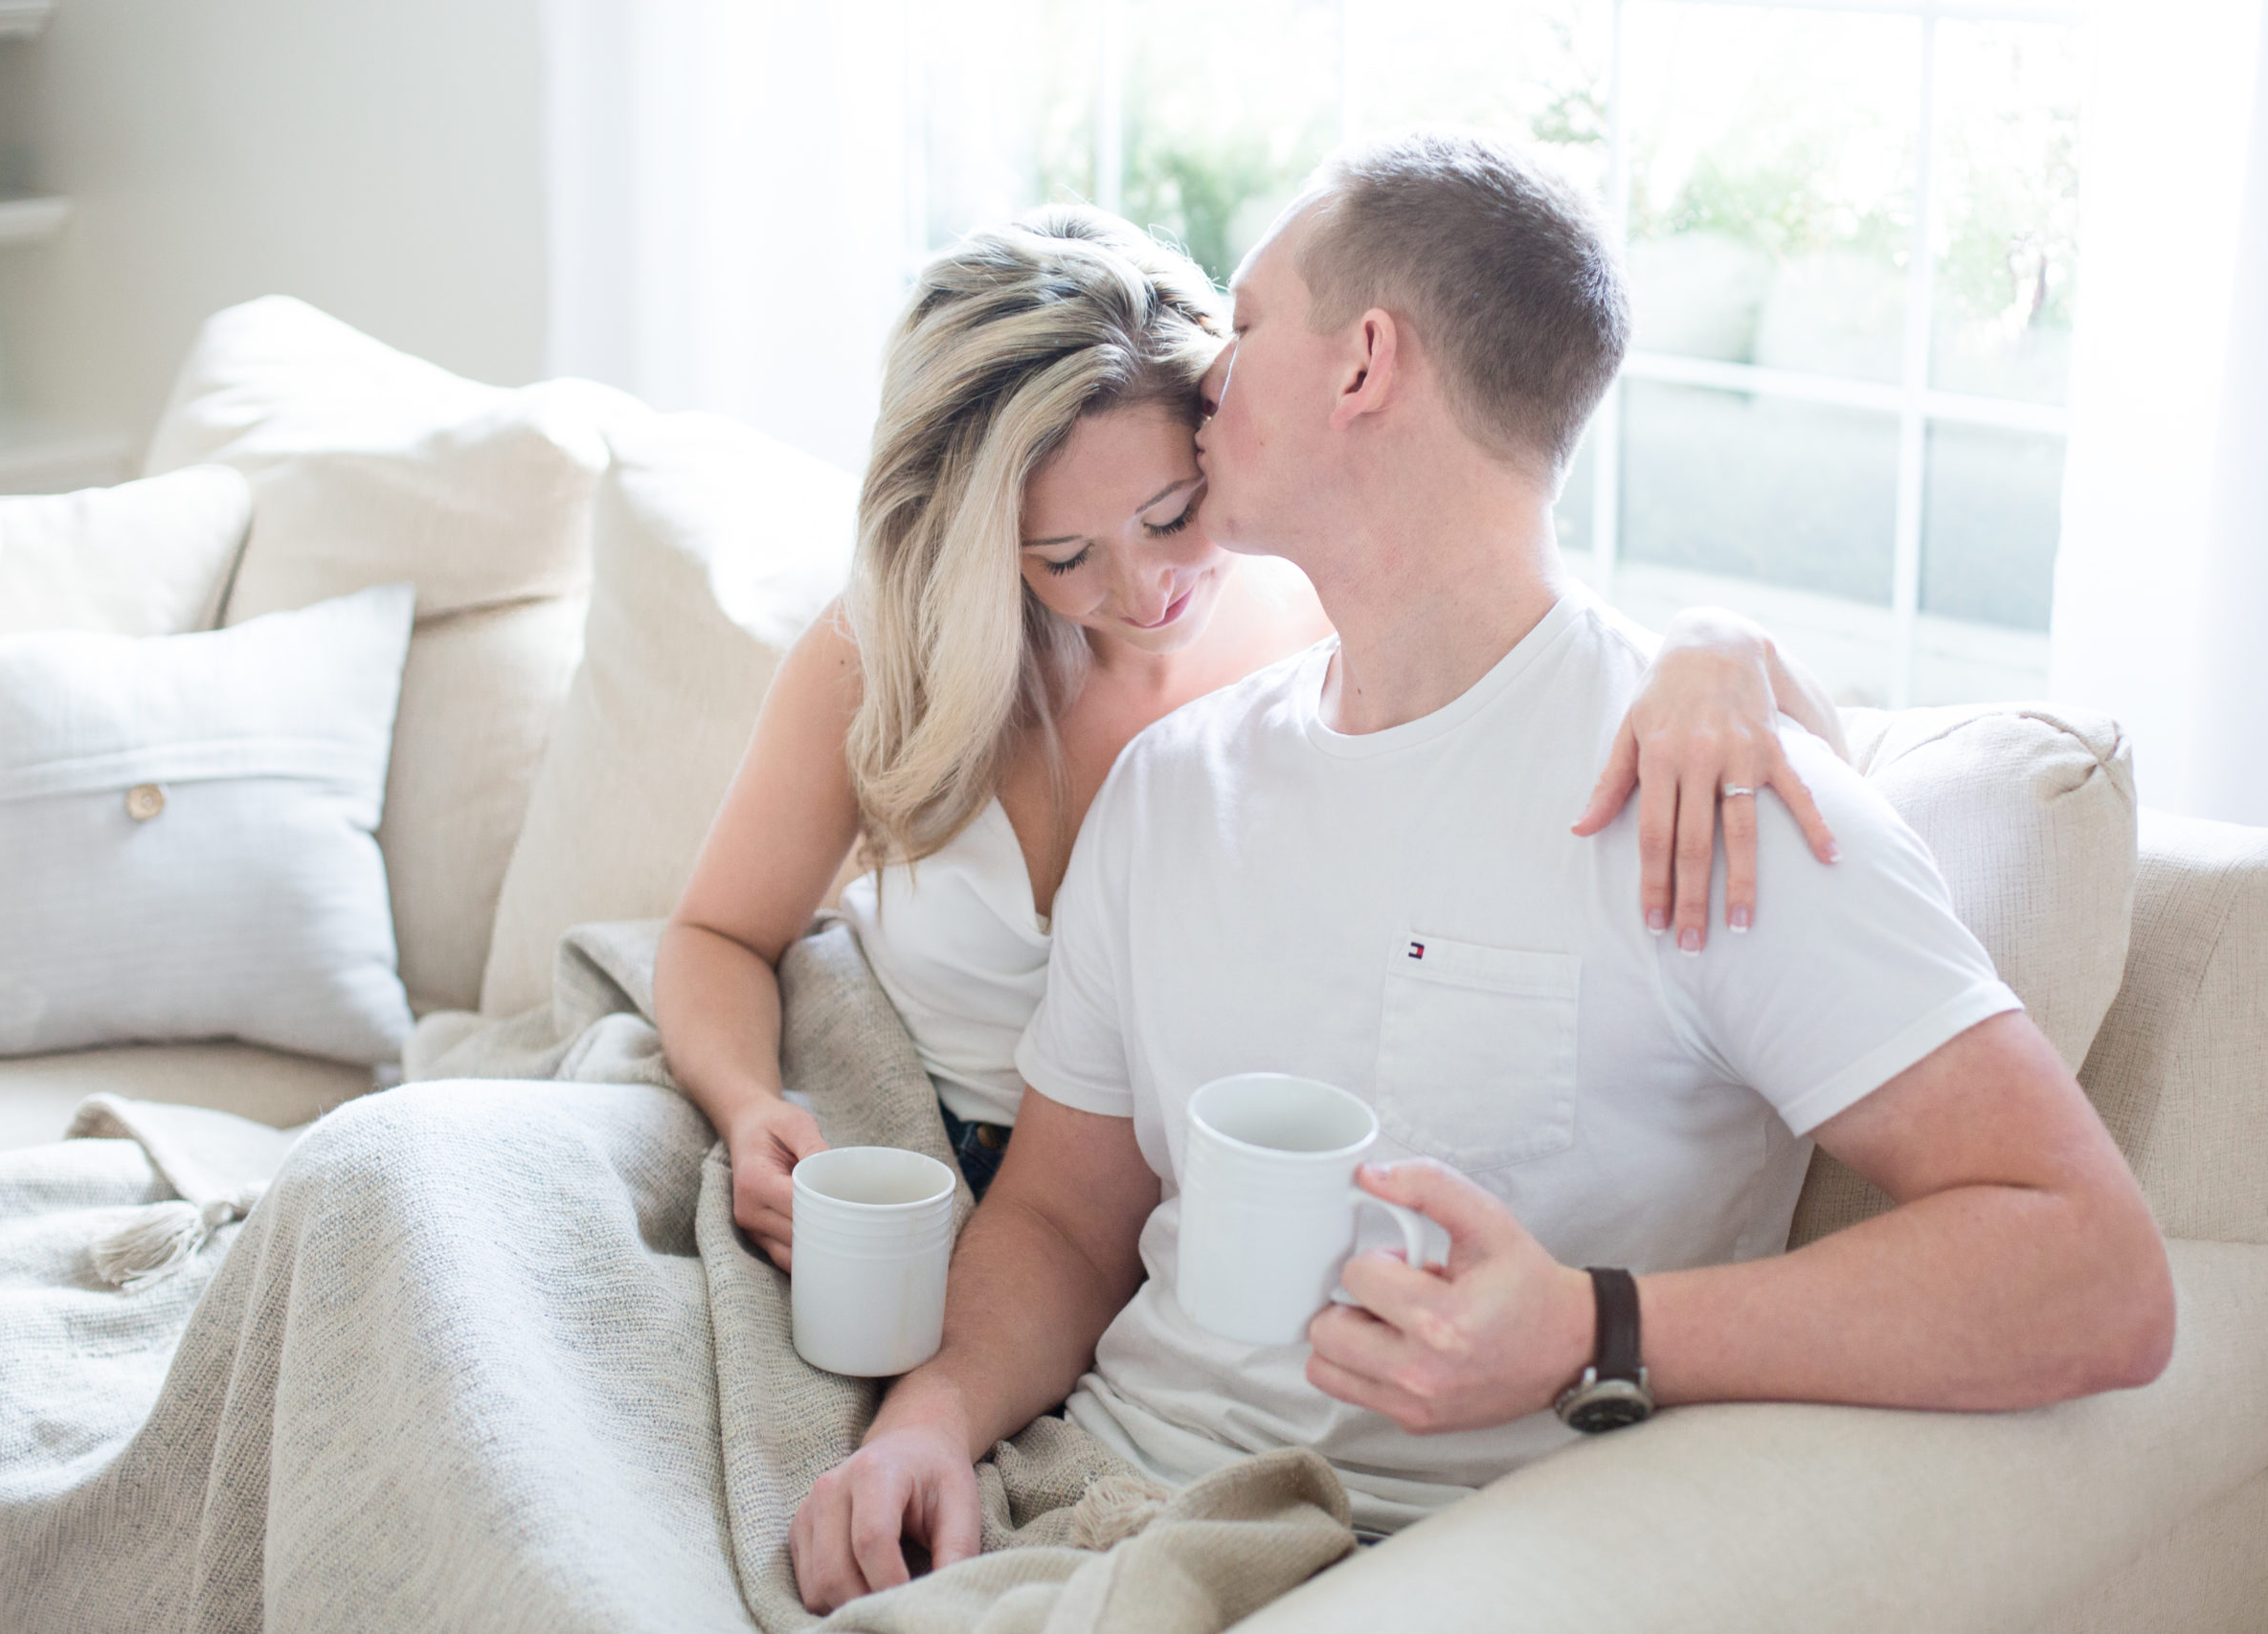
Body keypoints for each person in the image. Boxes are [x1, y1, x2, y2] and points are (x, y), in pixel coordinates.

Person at [790, 133, 2175, 1612]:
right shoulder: (1171, 786)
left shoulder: (1707, 796)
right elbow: (1065, 1218)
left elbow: (2098, 1273)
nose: (1207, 378)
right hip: (1085, 1484)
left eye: (1245, 324)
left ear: (1364, 363)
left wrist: (1596, 1328)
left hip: (1418, 1559)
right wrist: (929, 1416)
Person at [654, 208, 1849, 1246]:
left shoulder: (1328, 639)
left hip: (1170, 1215)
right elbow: (716, 934)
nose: (1143, 594)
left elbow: (1547, 649)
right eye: (1063, 557)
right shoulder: (884, 655)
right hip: (882, 1156)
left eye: (1173, 514)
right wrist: (754, 1110)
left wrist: (1721, 642)